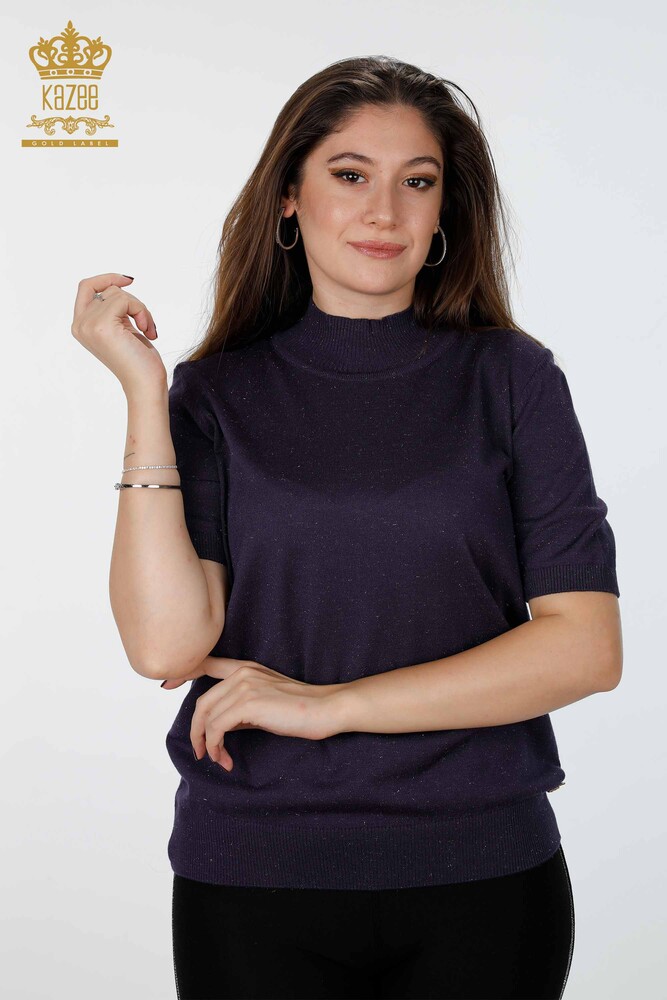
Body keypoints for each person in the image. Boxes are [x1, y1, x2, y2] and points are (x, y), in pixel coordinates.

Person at [72, 55, 622, 1000]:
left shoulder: (512, 379)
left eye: (418, 182)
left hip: (483, 877)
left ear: (445, 212)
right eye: (350, 174)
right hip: (252, 876)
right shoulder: (215, 395)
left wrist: (330, 707)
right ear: (289, 196)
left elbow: (585, 649)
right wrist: (145, 395)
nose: (384, 212)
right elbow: (166, 644)